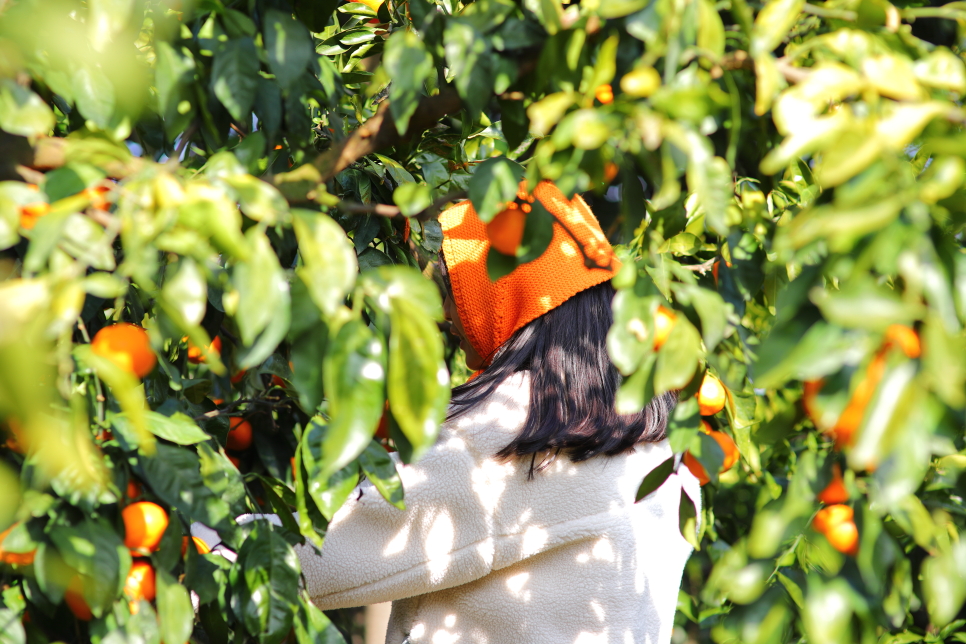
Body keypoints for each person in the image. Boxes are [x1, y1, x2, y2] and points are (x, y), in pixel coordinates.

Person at [290, 181, 701, 644]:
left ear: (506, 288)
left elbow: (330, 556)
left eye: (453, 290)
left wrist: (210, 534)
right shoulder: (663, 451)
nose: (445, 314)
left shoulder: (514, 427)